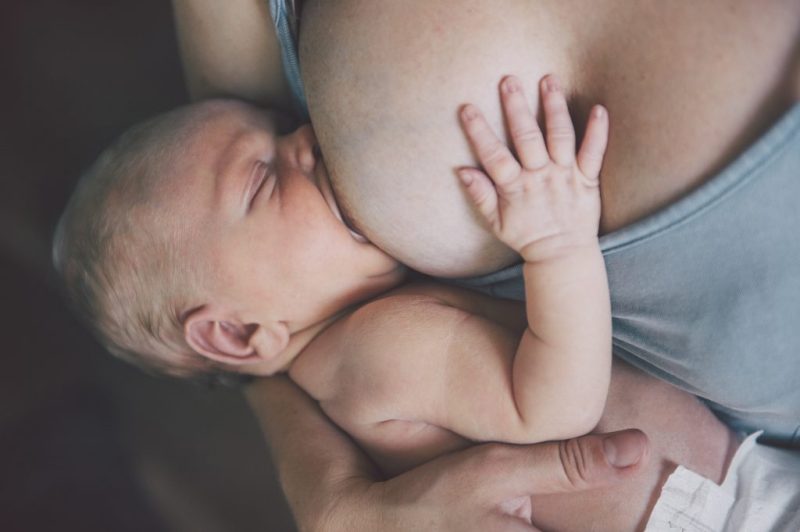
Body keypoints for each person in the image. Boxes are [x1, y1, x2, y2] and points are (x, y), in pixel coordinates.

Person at [171, 0, 800, 529]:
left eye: (280, 131)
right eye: (260, 182)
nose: (304, 139)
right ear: (232, 332)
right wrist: (557, 247)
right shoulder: (370, 349)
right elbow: (555, 409)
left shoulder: (343, 348)